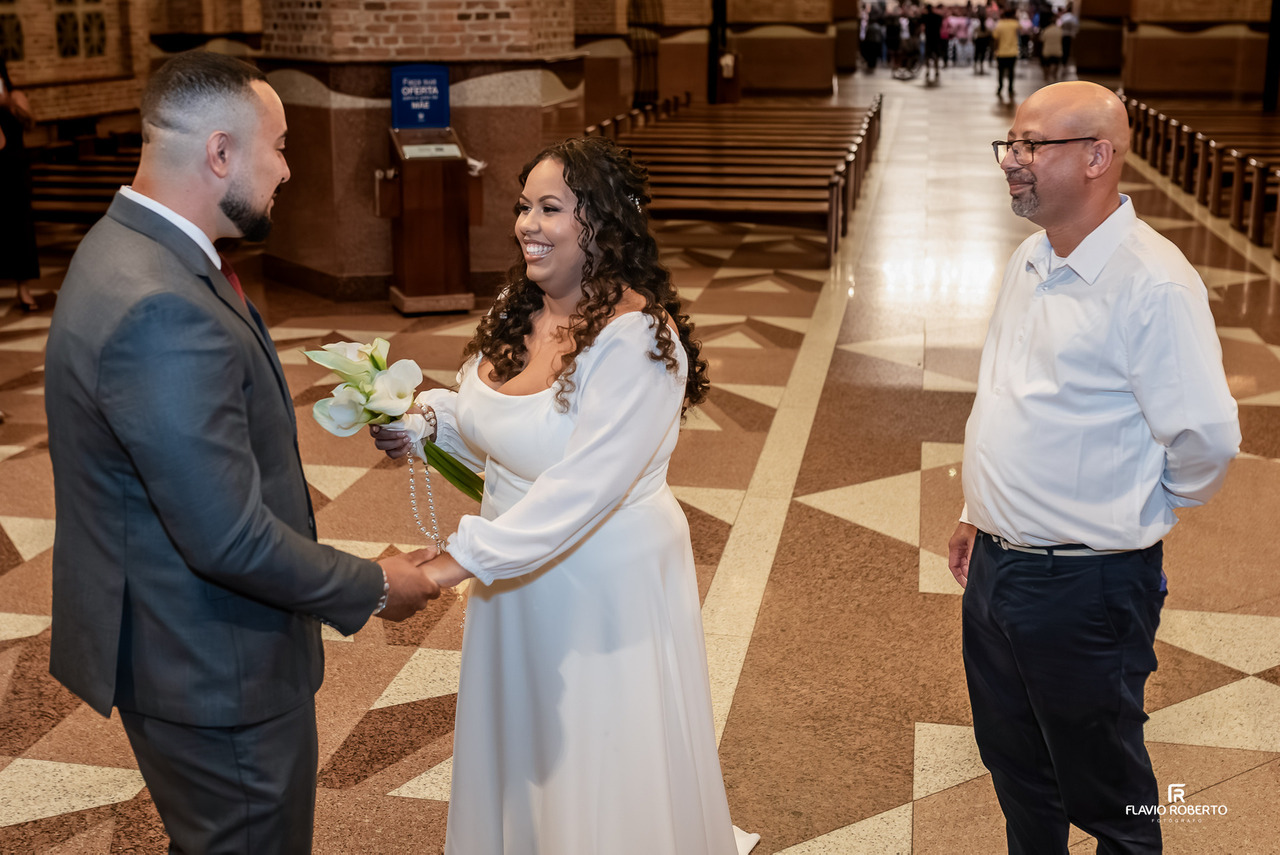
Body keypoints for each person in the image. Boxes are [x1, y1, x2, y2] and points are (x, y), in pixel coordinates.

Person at [43, 50, 443, 853]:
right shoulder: (160, 304)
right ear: (220, 152)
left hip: (171, 643)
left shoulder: (125, 248)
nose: (288, 170)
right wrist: (373, 586)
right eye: (280, 146)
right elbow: (226, 537)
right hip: (211, 668)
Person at [371, 136, 758, 855]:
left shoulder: (639, 340)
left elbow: (581, 488)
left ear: (602, 225)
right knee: (523, 745)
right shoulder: (521, 310)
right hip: (514, 572)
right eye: (524, 206)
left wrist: (449, 563)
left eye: (551, 208)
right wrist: (423, 421)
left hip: (600, 579)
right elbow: (499, 424)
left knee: (595, 749)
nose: (527, 224)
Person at [948, 81, 1240, 854]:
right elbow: (1010, 396)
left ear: (1097, 157)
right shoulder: (1031, 257)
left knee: (1109, 793)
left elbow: (1207, 437)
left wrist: (1133, 510)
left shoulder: (1154, 283)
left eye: (1031, 145)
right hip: (999, 569)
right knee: (1018, 768)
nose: (1012, 161)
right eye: (1010, 143)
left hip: (1087, 584)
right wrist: (980, 509)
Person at [0, 56, 41, 312]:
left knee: (21, 227)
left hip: (15, 168)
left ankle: (23, 289)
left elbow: (30, 123)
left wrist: (14, 105)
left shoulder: (15, 95)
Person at [992, 8, 1020, 99]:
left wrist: (995, 50)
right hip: (1012, 52)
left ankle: (1000, 87)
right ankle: (1010, 88)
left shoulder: (999, 25)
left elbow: (995, 39)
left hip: (1001, 52)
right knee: (1011, 72)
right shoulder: (1014, 24)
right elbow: (1021, 29)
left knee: (1000, 71)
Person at [1039, 14, 1064, 82]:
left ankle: (1046, 76)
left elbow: (1041, 39)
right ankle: (1054, 76)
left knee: (1047, 64)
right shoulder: (1059, 30)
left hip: (1047, 50)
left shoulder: (1046, 30)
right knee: (1056, 63)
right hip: (1057, 50)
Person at [1059, 2, 1079, 68]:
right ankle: (1065, 61)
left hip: (1063, 34)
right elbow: (1075, 27)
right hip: (1070, 35)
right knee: (1067, 49)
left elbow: (1060, 25)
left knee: (1063, 48)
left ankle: (1063, 60)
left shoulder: (1064, 17)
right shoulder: (1073, 17)